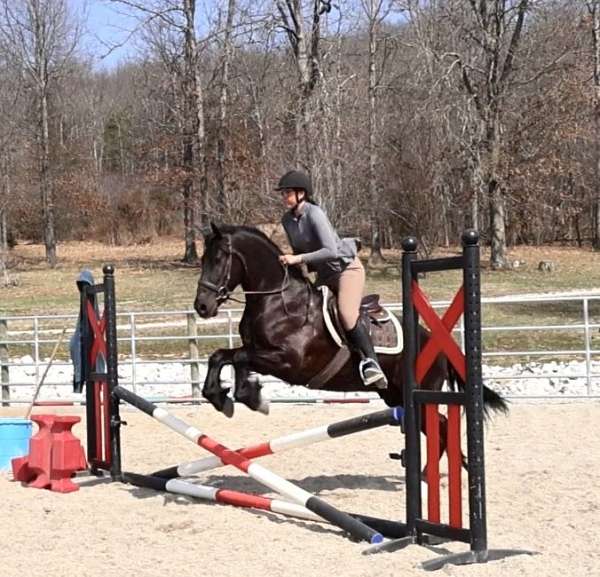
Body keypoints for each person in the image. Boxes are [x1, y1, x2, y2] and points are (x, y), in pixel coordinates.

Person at [276, 169, 387, 389]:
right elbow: (303, 258)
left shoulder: (314, 213)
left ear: (302, 193)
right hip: (325, 275)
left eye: (288, 192)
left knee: (346, 314)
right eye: (283, 193)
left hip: (346, 270)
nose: (284, 197)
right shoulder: (287, 220)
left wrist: (296, 258)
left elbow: (331, 251)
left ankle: (371, 362)